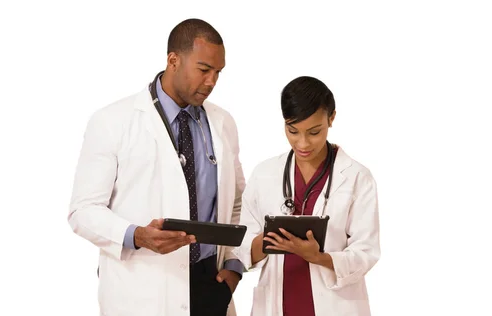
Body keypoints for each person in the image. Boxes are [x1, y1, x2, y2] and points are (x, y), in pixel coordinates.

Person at [68, 18, 245, 316]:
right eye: (204, 70)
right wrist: (136, 235)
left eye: (218, 72)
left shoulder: (223, 122)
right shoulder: (113, 121)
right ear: (173, 60)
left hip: (210, 285)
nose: (212, 81)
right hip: (144, 289)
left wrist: (234, 268)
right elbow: (82, 211)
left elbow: (237, 202)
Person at [233, 76, 380, 316]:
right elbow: (243, 247)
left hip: (335, 305)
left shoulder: (357, 177)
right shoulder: (265, 174)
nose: (302, 143)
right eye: (293, 131)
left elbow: (366, 252)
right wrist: (270, 240)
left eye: (314, 132)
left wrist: (319, 257)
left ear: (331, 118)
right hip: (276, 303)